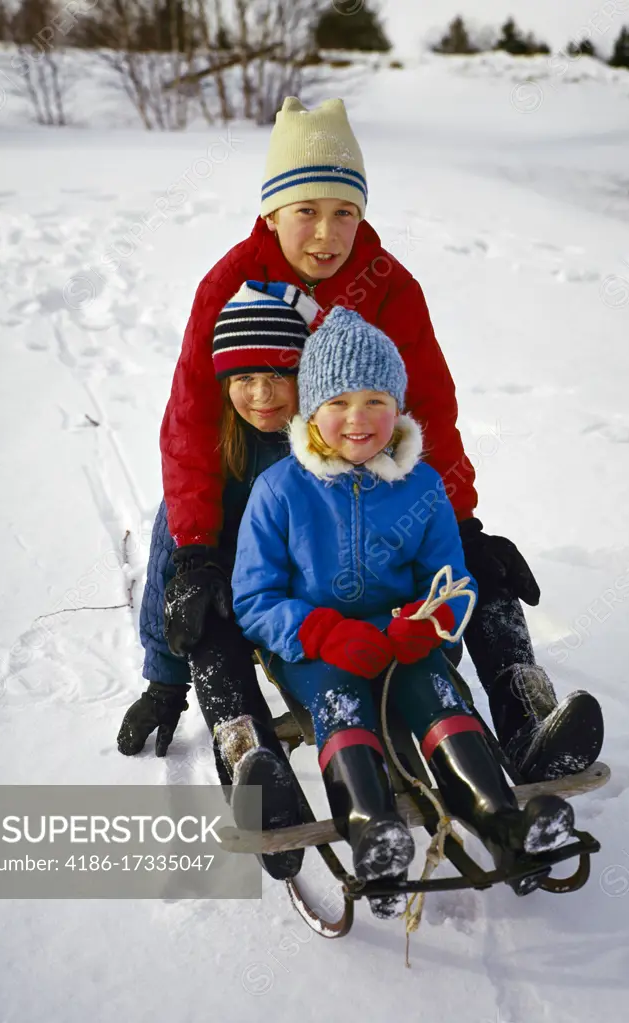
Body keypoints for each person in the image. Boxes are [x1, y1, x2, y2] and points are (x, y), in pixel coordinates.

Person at [119, 94, 602, 791]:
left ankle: (525, 711)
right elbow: (190, 423)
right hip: (258, 476)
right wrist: (194, 555)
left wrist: (462, 521)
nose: (325, 233)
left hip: (364, 480)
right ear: (270, 213)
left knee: (469, 566)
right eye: (305, 211)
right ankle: (200, 706)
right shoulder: (228, 285)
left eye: (343, 211)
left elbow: (430, 408)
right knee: (187, 545)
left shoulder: (390, 287)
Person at [232, 307, 578, 917]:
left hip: (404, 640)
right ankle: (372, 830)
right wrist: (318, 630)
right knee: (341, 699)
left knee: (438, 694)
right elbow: (254, 602)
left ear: (398, 409)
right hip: (317, 649)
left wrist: (431, 621)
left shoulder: (420, 487)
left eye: (375, 400)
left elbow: (455, 579)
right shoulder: (280, 491)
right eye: (339, 402)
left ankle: (503, 823)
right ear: (312, 412)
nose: (358, 419)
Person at [118, 280, 322, 880]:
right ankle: (251, 763)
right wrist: (163, 681)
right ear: (222, 383)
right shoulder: (210, 461)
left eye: (278, 376)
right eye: (242, 379)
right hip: (226, 597)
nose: (260, 395)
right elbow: (170, 576)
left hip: (304, 605)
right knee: (212, 646)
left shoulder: (326, 444)